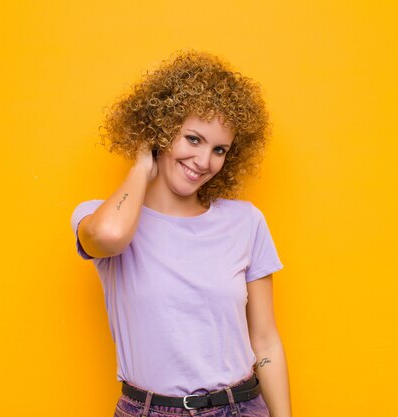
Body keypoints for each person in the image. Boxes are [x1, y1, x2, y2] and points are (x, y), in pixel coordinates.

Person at [71, 50, 292, 417]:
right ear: (160, 130)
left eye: (219, 149)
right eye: (192, 139)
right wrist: (144, 162)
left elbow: (266, 341)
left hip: (239, 407)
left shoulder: (245, 222)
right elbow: (109, 236)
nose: (205, 162)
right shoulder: (101, 216)